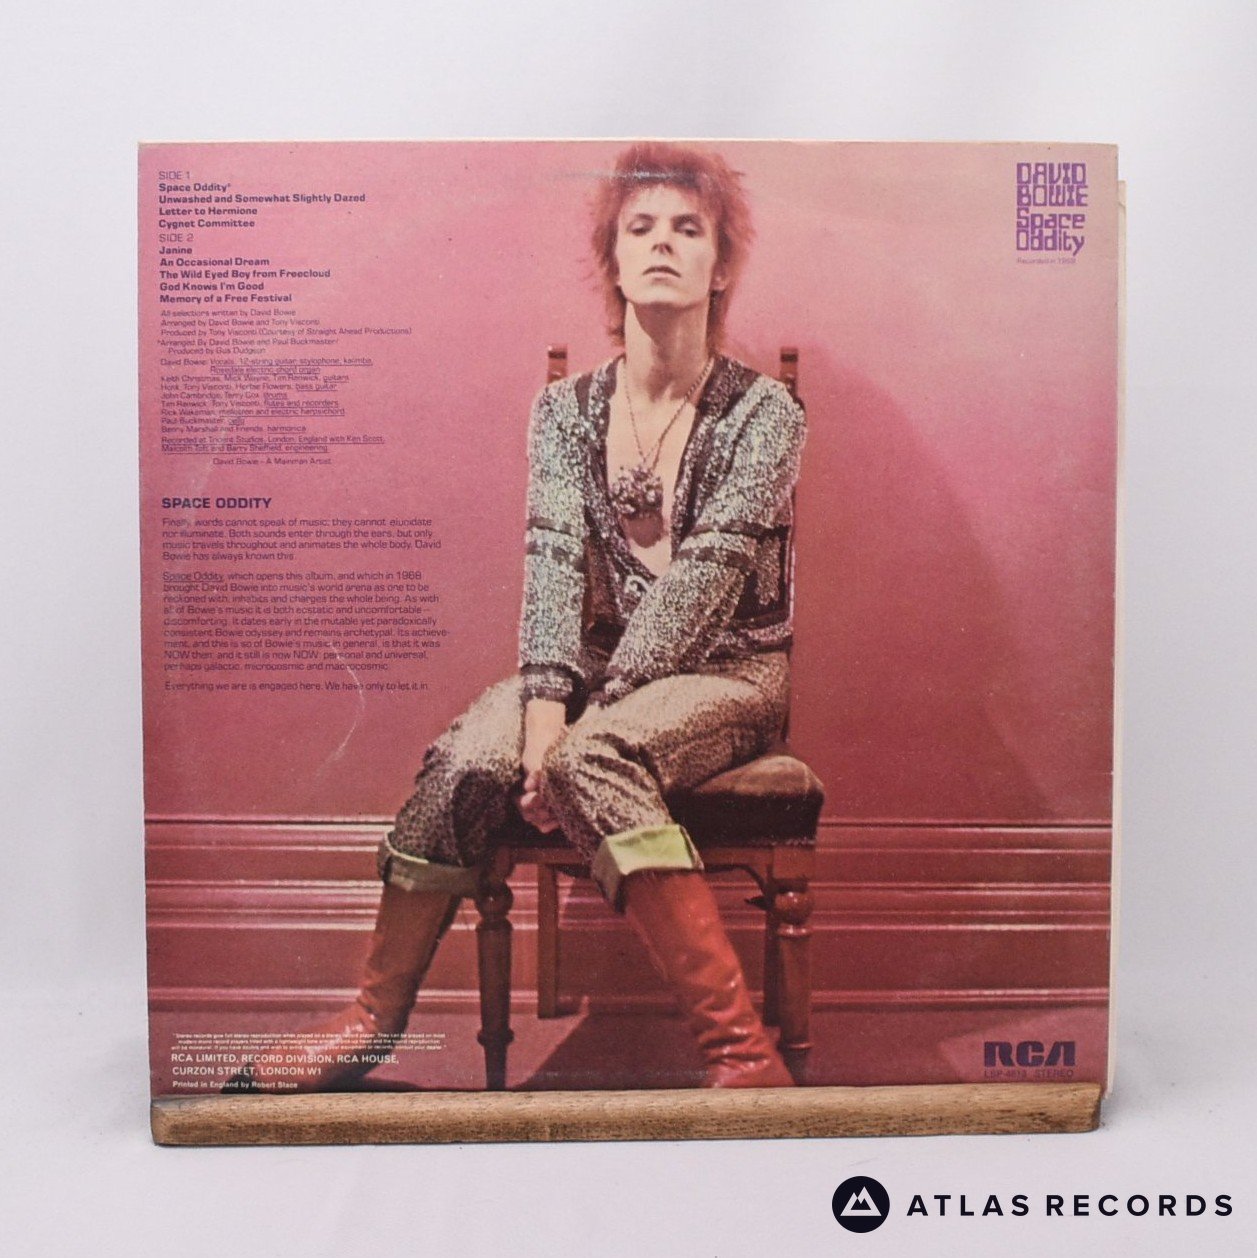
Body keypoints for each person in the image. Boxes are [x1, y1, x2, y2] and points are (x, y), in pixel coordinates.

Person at [229, 141, 806, 1093]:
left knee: (590, 758)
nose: (662, 243)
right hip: (590, 667)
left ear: (721, 265)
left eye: (688, 228)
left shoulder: (768, 414)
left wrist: (575, 733)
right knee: (465, 761)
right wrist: (543, 716)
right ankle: (370, 1020)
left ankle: (743, 1058)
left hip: (728, 673)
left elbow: (705, 581)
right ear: (612, 258)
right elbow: (550, 566)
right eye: (640, 227)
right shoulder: (562, 412)